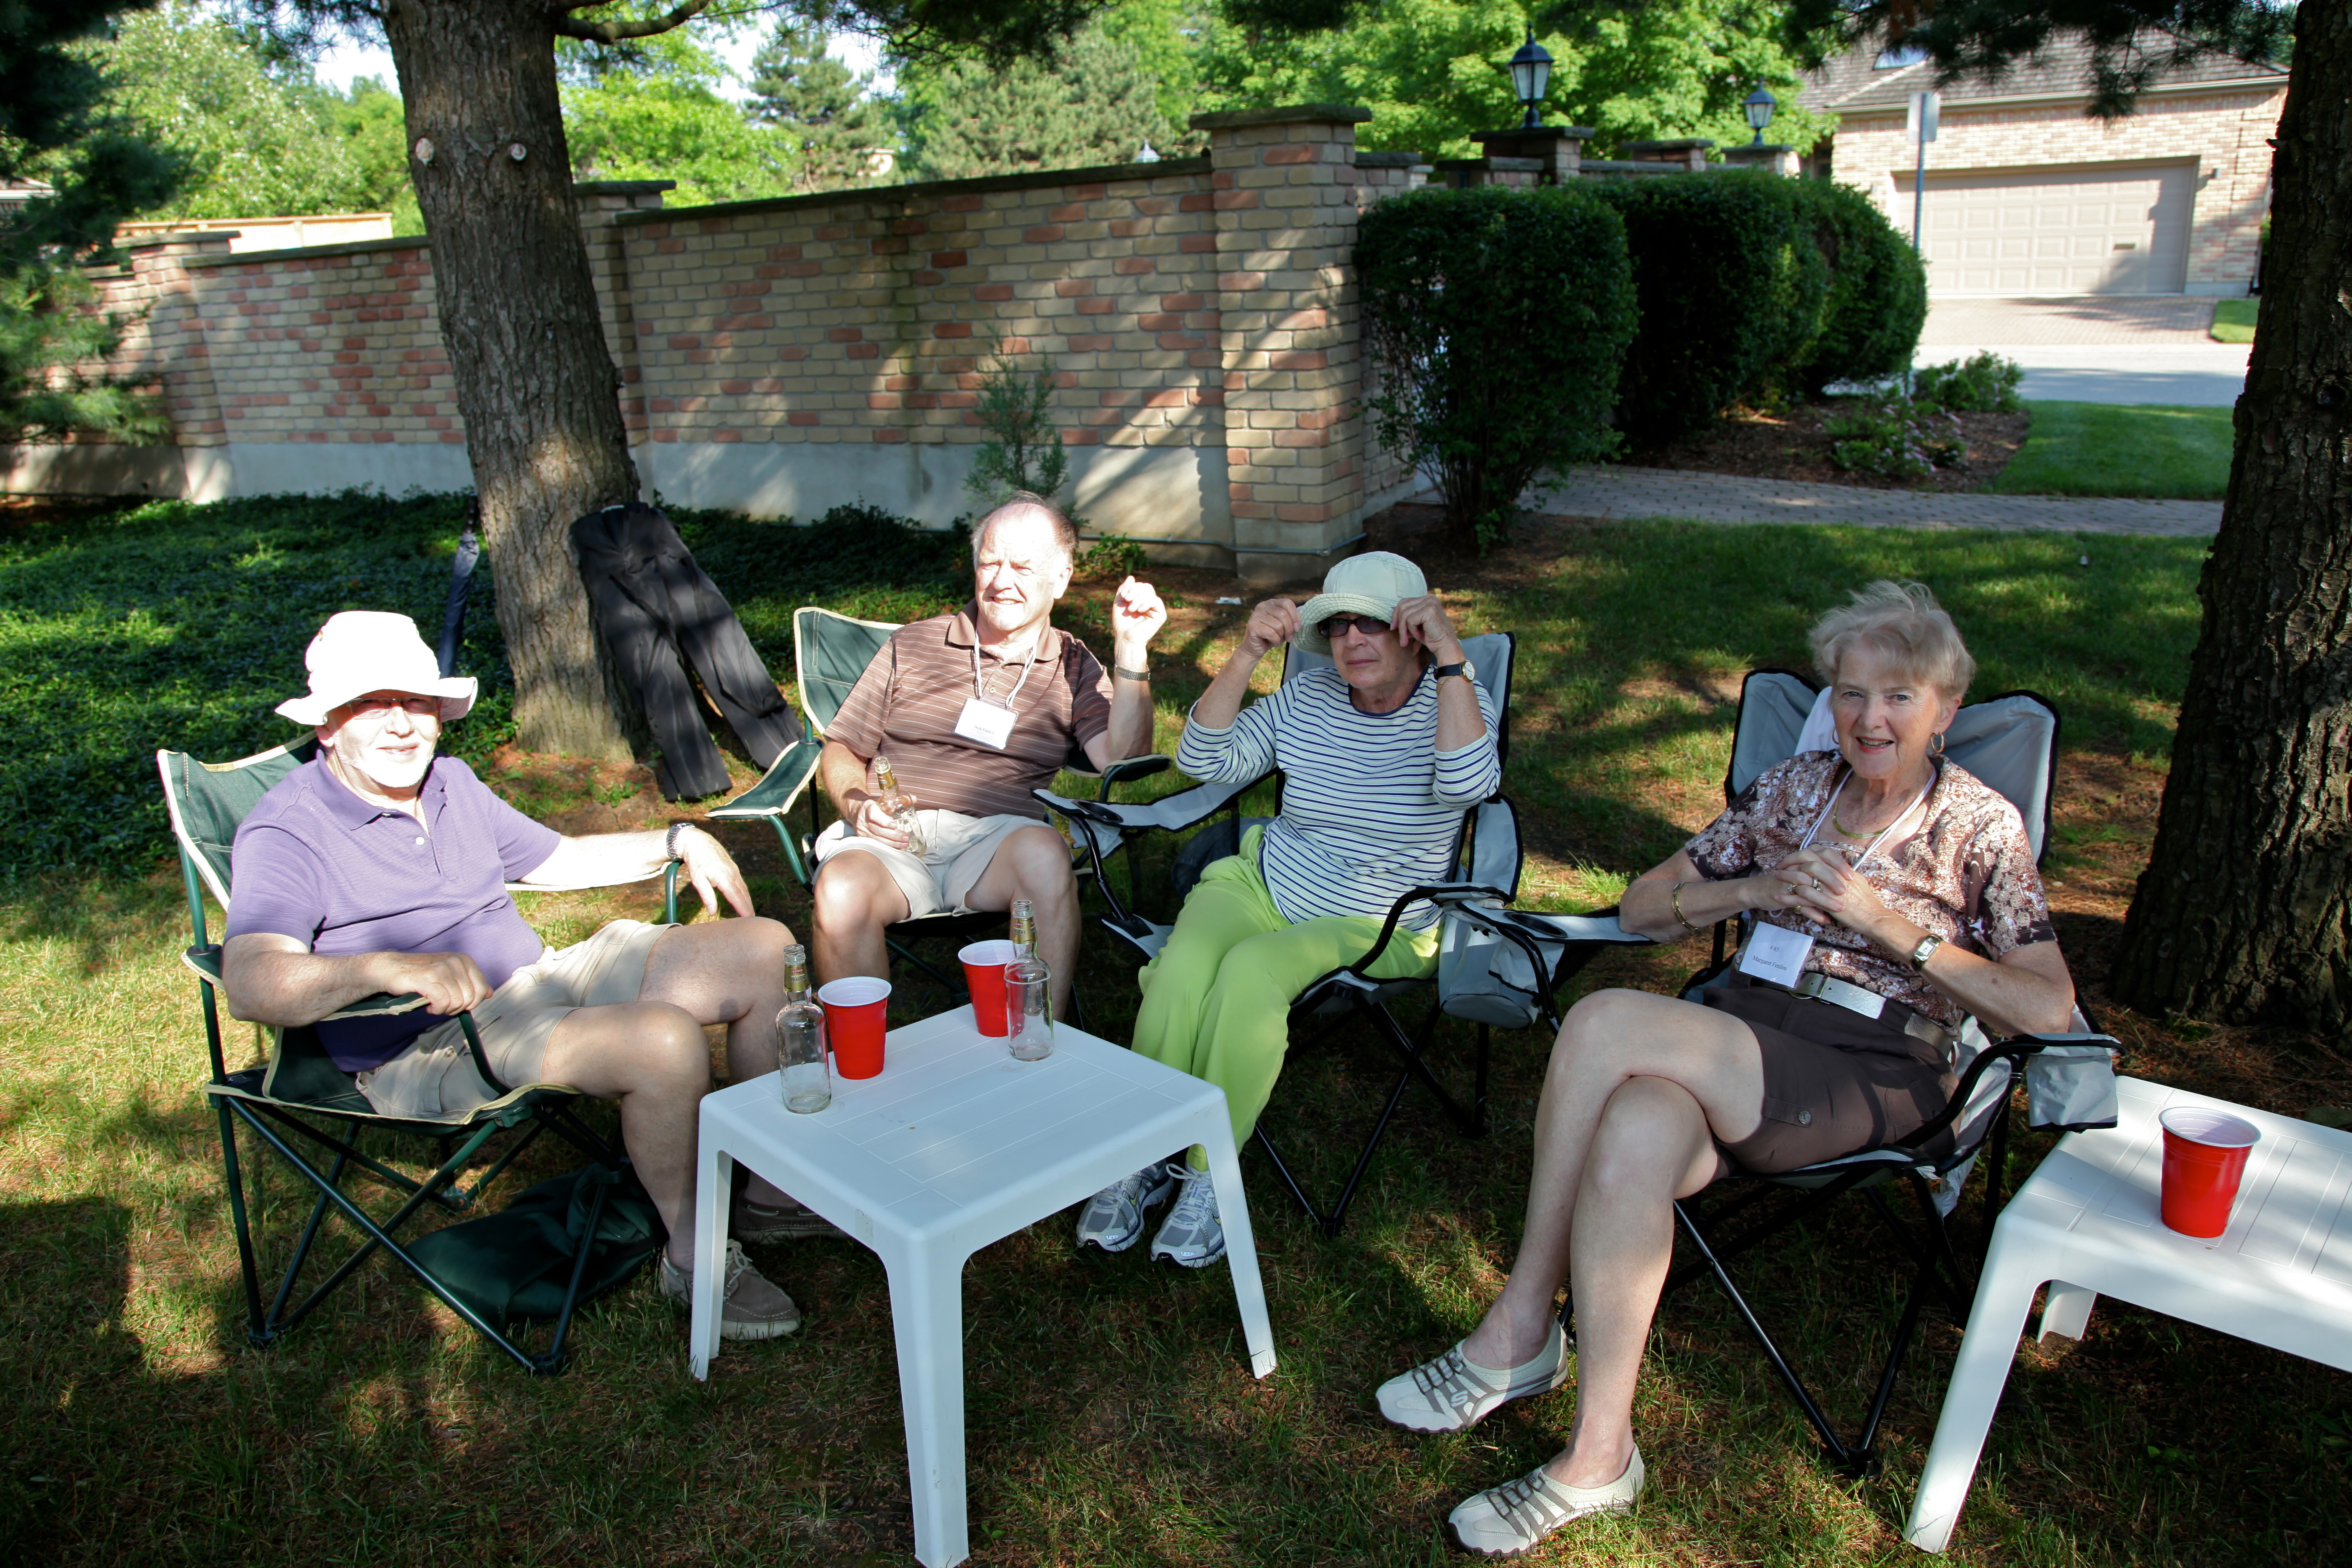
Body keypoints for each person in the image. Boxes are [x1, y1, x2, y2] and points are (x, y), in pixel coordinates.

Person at [1375, 580, 2076, 1558]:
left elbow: (2048, 1004)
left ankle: (1522, 1321)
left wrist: (1891, 928)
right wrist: (1753, 885)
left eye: (1898, 695)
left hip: (1875, 1061)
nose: (1869, 717)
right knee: (1634, 1127)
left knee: (1606, 1020)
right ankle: (1598, 1453)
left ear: (1945, 708)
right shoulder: (1797, 787)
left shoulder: (1980, 824)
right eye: (1850, 692)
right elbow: (1643, 902)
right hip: (1748, 1029)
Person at [220, 611, 813, 1342]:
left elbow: (554, 858)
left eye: (417, 700)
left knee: (762, 947)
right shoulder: (289, 830)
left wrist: (678, 835)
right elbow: (250, 979)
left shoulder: (451, 782)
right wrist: (386, 964)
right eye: (374, 703)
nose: (403, 724)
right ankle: (695, 1258)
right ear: (328, 726)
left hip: (537, 980)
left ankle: (770, 1194)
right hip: (430, 1042)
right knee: (660, 1041)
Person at [1074, 551, 1500, 1267]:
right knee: (1181, 969)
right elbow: (1205, 761)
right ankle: (1136, 1157)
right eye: (1338, 627)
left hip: (1379, 918)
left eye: (1374, 624)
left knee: (1249, 973)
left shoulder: (1456, 699)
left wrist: (1453, 655)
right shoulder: (1308, 699)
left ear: (1413, 633)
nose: (1353, 641)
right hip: (1264, 880)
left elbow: (1467, 785)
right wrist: (1245, 652)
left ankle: (1210, 1175)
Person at [811, 493, 1167, 1019]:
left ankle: (1038, 1037)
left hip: (996, 844)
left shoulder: (1073, 664)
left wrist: (1132, 653)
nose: (1002, 581)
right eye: (990, 562)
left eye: (1023, 566)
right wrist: (857, 801)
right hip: (891, 835)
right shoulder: (913, 645)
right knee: (839, 890)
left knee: (1046, 859)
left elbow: (1123, 757)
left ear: (1061, 579)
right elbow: (842, 747)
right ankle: (864, 1070)